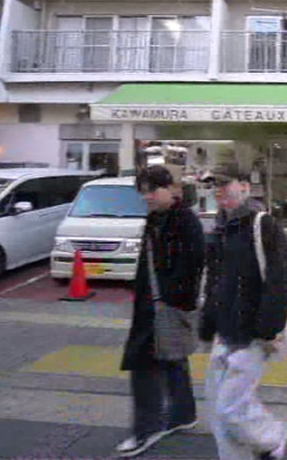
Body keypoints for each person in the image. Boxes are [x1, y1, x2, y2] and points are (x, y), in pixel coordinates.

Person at [200, 178, 287, 460]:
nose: (218, 189)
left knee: (230, 409)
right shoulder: (220, 226)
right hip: (224, 330)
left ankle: (272, 437)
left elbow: (282, 277)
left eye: (224, 182)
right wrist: (207, 323)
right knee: (218, 409)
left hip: (252, 334)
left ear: (244, 186)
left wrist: (268, 330)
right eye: (213, 184)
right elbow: (214, 279)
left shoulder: (262, 224)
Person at [117, 166, 205, 458]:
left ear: (171, 189)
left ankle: (147, 429)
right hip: (151, 304)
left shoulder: (185, 221)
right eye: (143, 192)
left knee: (142, 364)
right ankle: (183, 414)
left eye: (152, 190)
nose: (147, 197)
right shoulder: (155, 218)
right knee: (172, 358)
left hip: (165, 307)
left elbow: (193, 266)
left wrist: (172, 300)